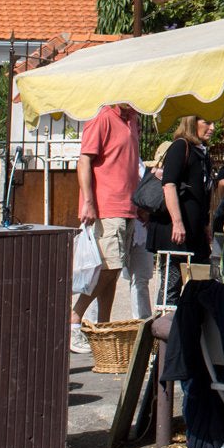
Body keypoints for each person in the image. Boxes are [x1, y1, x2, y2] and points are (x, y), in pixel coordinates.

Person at [71, 100, 141, 355]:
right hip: (107, 206)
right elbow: (84, 161)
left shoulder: (133, 118)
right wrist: (88, 202)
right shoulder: (101, 117)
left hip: (127, 205)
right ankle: (74, 319)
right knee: (111, 267)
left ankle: (103, 327)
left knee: (111, 269)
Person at [149, 115, 216, 305]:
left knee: (201, 283)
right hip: (175, 230)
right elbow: (169, 185)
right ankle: (164, 331)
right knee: (172, 286)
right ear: (191, 122)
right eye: (207, 122)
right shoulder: (180, 146)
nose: (212, 127)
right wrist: (177, 223)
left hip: (195, 231)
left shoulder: (202, 152)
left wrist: (205, 224)